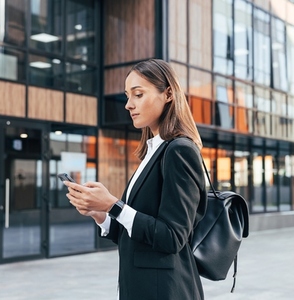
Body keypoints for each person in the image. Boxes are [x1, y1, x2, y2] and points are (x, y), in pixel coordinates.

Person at [64, 58, 207, 300]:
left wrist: (113, 205)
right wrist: (100, 214)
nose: (128, 105)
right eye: (127, 96)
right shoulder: (153, 151)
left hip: (166, 291)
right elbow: (135, 234)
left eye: (138, 94)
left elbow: (172, 237)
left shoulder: (179, 150)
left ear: (168, 94)